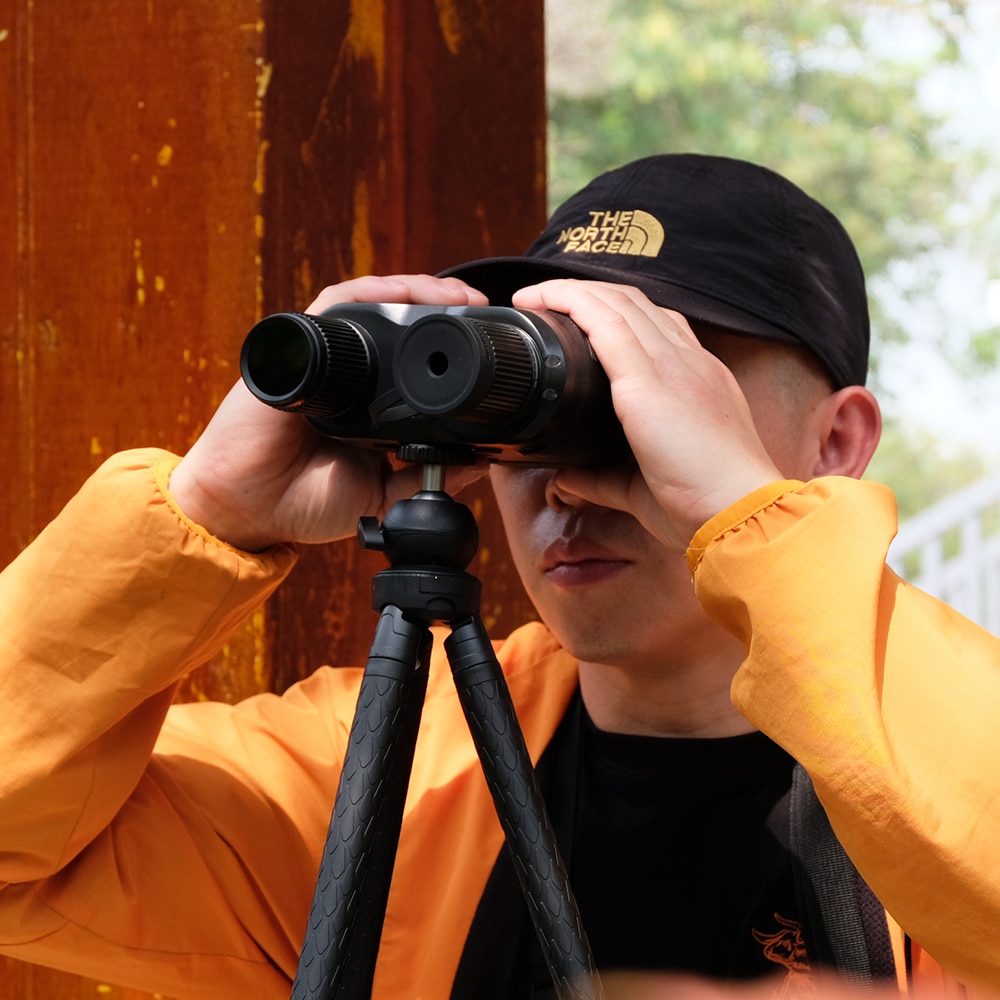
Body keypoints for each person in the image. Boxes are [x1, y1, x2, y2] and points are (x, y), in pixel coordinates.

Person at [1, 154, 998, 1000]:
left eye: (642, 395)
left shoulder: (945, 730)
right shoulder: (386, 775)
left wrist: (747, 515)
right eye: (550, 405)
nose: (569, 478)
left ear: (837, 441)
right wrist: (204, 507)